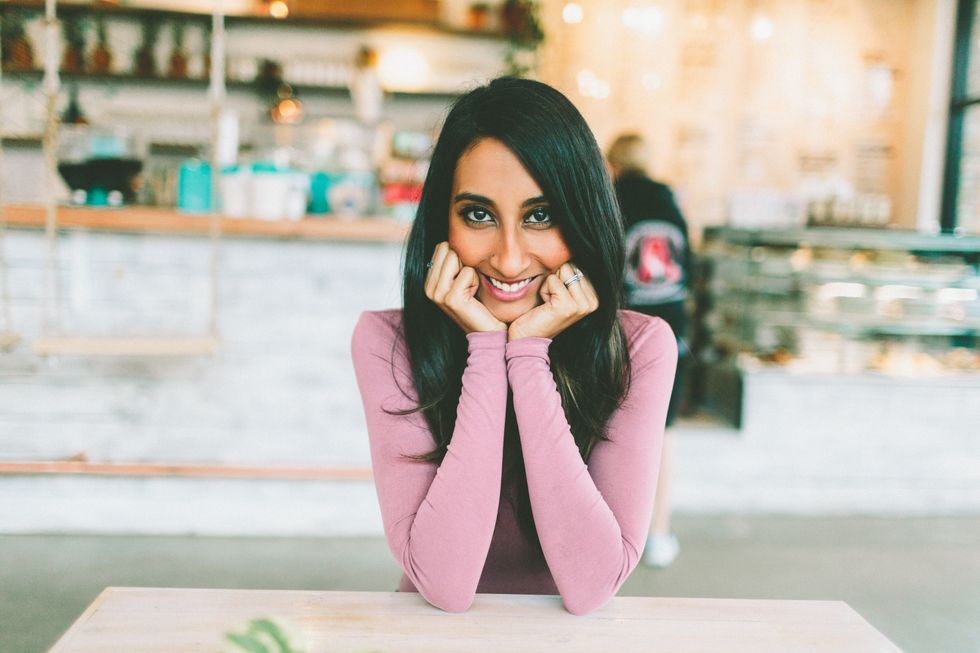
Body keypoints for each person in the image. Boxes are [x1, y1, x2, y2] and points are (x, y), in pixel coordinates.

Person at [351, 78, 677, 616]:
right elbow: (447, 584)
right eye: (478, 214)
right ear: (442, 222)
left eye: (540, 215)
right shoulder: (388, 342)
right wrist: (486, 348)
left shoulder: (640, 348)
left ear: (582, 218)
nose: (507, 259)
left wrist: (527, 356)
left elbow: (592, 585)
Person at [607, 133, 691, 568]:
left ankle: (616, 531)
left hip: (623, 329)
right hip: (672, 331)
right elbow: (687, 269)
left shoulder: (612, 200)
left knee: (614, 425)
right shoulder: (671, 202)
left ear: (613, 164)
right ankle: (657, 534)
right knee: (664, 432)